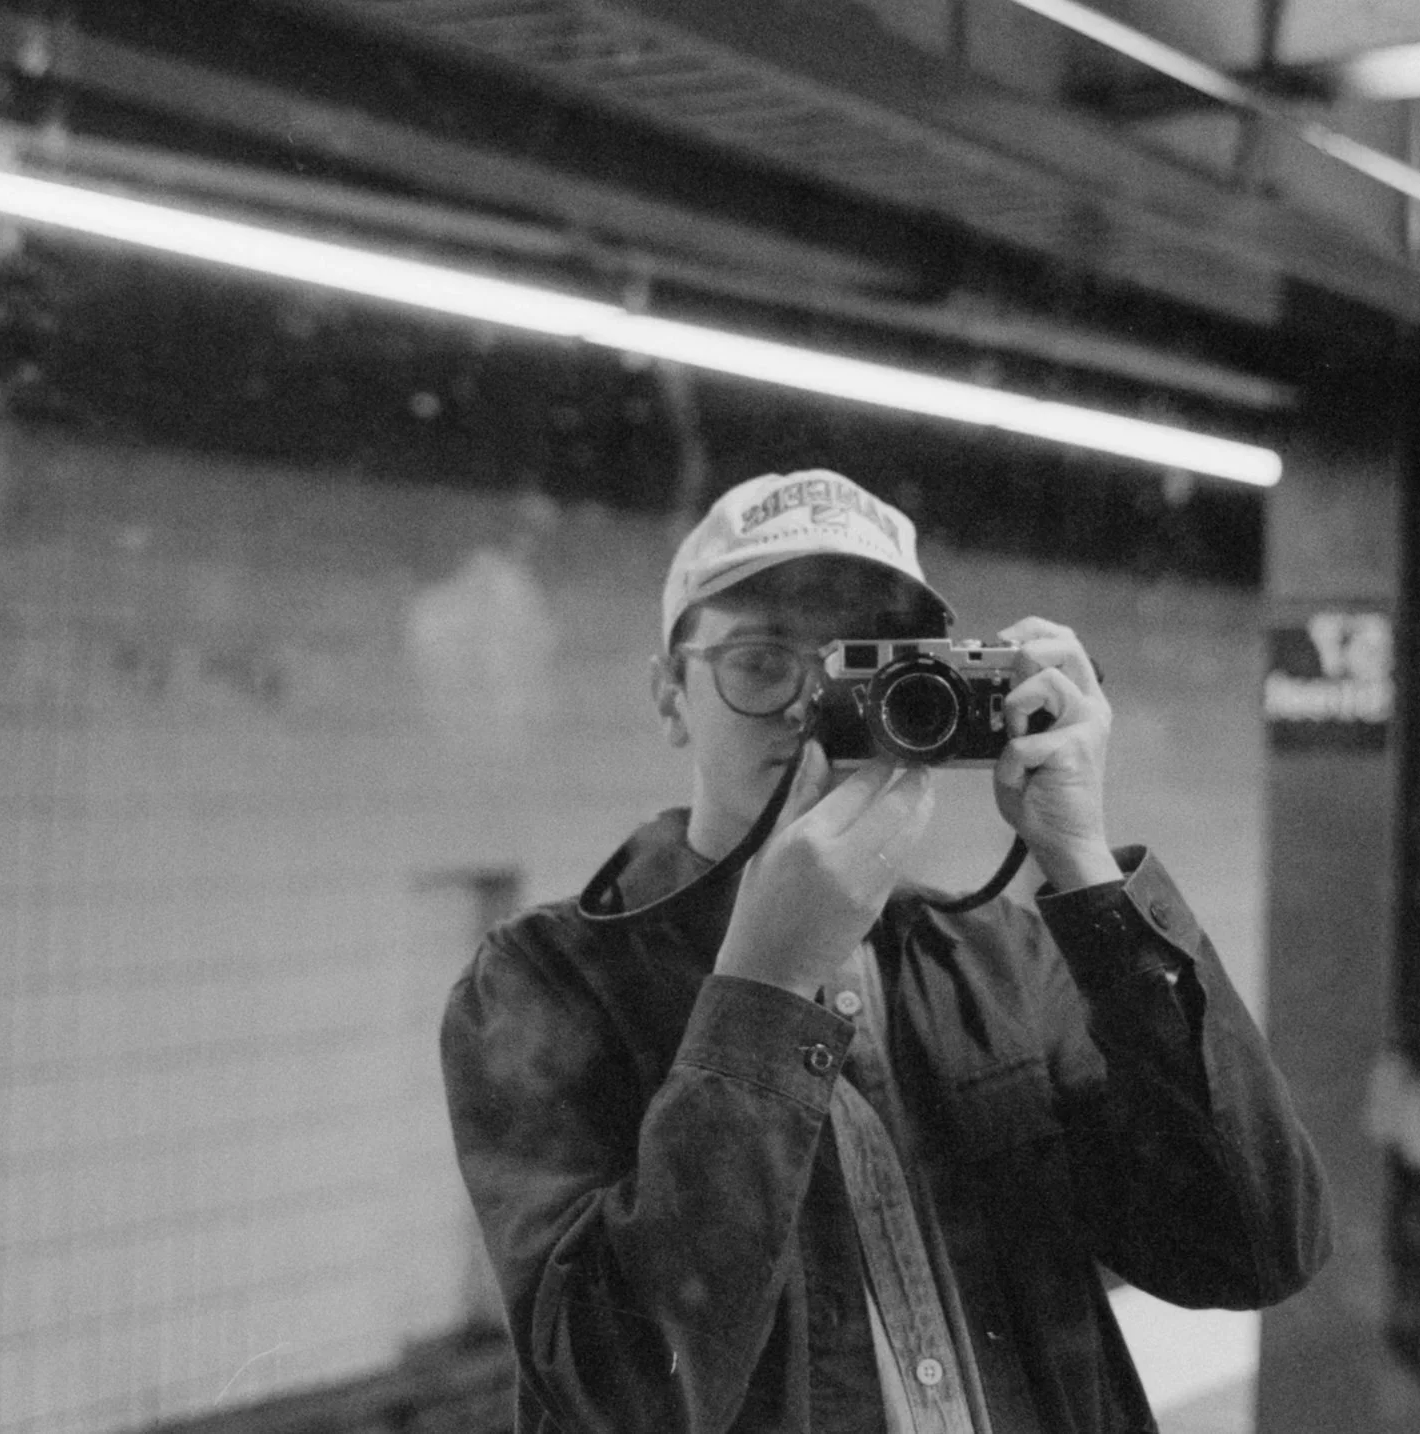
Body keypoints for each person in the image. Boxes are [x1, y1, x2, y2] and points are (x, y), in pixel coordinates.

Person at [440, 469, 1330, 1433]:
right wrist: (766, 987)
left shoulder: (999, 956)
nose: (812, 705)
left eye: (863, 661)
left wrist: (1080, 863)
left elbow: (1254, 1249)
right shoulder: (541, 982)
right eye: (760, 660)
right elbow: (611, 1397)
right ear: (669, 697)